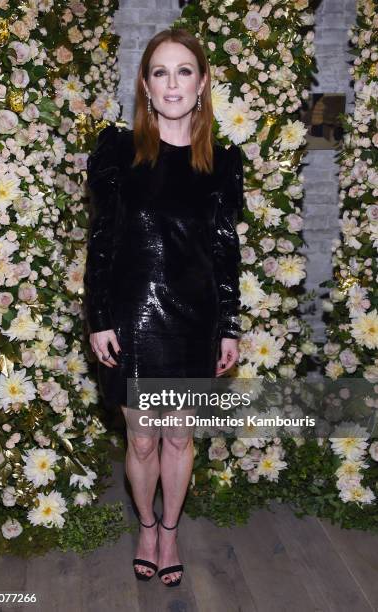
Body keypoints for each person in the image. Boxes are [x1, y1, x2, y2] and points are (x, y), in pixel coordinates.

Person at [84, 27, 243, 587]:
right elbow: (102, 243)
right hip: (133, 318)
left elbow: (225, 253)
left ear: (201, 84)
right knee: (143, 438)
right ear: (145, 87)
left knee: (179, 437)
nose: (171, 83)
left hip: (193, 321)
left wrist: (228, 325)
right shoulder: (118, 154)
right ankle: (145, 523)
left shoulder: (221, 164)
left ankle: (168, 532)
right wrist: (98, 316)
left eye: (183, 71)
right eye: (159, 71)